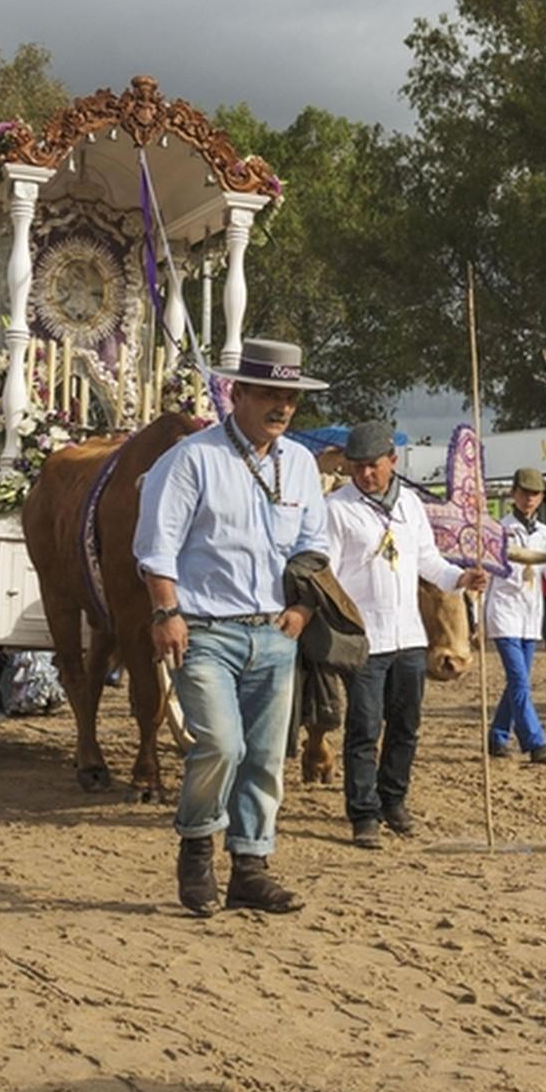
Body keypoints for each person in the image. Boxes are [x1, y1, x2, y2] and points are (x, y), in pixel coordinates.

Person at [134, 337, 330, 916]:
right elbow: (155, 546)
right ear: (236, 392)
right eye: (269, 392)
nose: (281, 406)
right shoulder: (193, 459)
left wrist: (303, 611)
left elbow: (315, 546)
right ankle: (197, 850)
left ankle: (250, 865)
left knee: (267, 756)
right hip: (205, 631)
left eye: (289, 396)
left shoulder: (299, 464)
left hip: (275, 633)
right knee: (220, 744)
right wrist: (166, 613)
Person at [325, 419, 485, 847]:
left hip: (410, 637)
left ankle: (393, 799)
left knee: (406, 725)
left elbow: (428, 562)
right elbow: (329, 575)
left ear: (392, 461)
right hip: (366, 638)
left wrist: (460, 578)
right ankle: (363, 812)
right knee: (363, 728)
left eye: (373, 465)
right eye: (357, 467)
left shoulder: (410, 505)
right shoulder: (338, 508)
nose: (365, 474)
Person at [482, 469, 546, 762]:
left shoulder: (545, 535)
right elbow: (486, 578)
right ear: (514, 492)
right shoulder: (499, 530)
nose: (529, 499)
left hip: (530, 615)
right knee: (518, 679)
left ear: (541, 498)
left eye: (535, 493)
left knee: (519, 680)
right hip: (503, 611)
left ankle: (498, 734)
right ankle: (535, 741)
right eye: (524, 492)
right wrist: (477, 620)